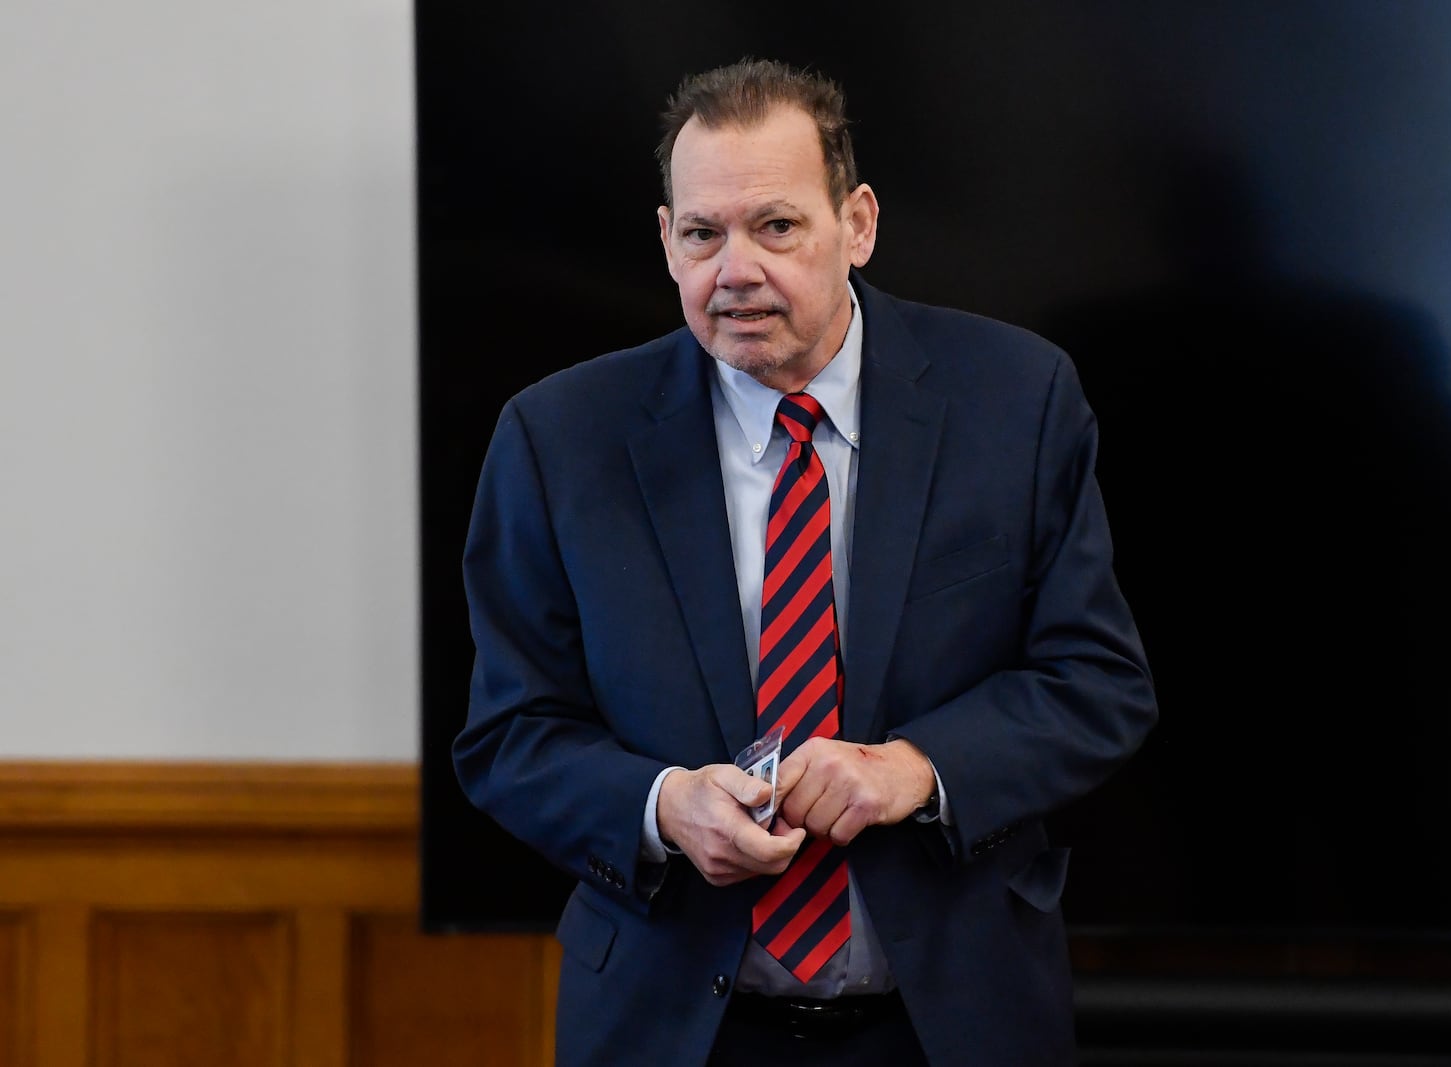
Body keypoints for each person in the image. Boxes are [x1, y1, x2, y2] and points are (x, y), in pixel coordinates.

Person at [455, 58, 1157, 1066]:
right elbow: (508, 735)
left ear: (856, 223)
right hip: (672, 1026)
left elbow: (1099, 683)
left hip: (950, 1020)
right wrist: (660, 804)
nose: (734, 269)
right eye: (702, 234)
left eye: (775, 226)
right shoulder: (558, 437)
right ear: (665, 241)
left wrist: (915, 768)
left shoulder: (1015, 399)